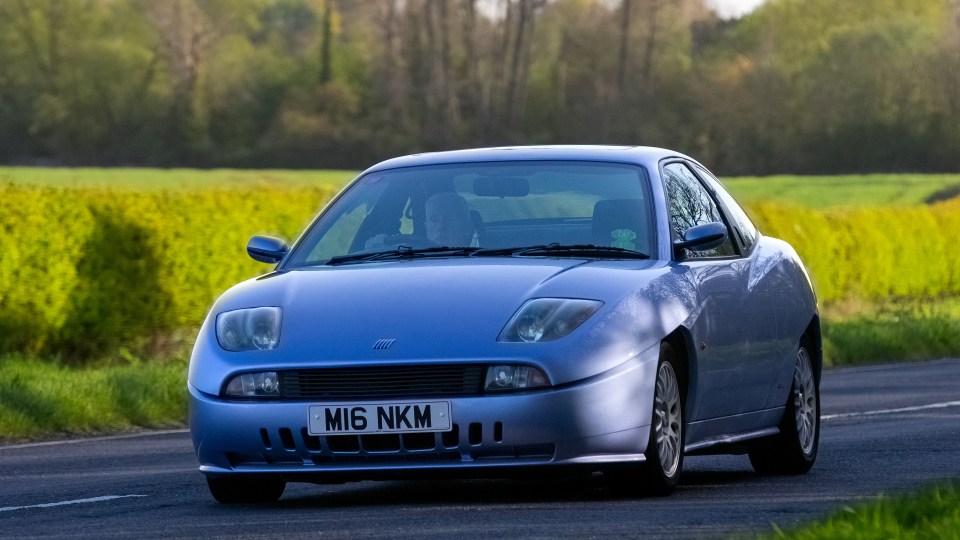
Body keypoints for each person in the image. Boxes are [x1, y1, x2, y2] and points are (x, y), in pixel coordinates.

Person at [365, 191, 477, 249]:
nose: (441, 226)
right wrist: (373, 249)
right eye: (434, 220)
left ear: (467, 228)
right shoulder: (405, 258)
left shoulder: (479, 262)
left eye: (449, 219)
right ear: (426, 227)